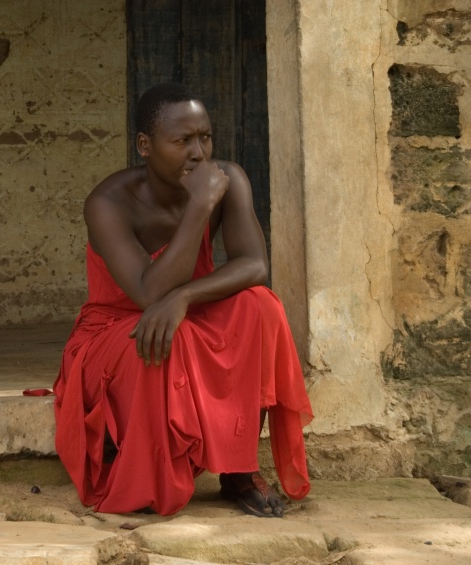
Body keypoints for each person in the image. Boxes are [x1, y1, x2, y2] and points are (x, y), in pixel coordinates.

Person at [52, 82, 313, 518]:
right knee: (164, 337)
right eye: (182, 141)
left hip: (183, 311)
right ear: (145, 146)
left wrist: (187, 296)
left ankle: (239, 470)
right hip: (115, 329)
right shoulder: (107, 202)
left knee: (261, 306)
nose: (198, 153)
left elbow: (254, 265)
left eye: (205, 137)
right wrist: (198, 208)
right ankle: (155, 469)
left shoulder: (228, 180)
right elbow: (148, 294)